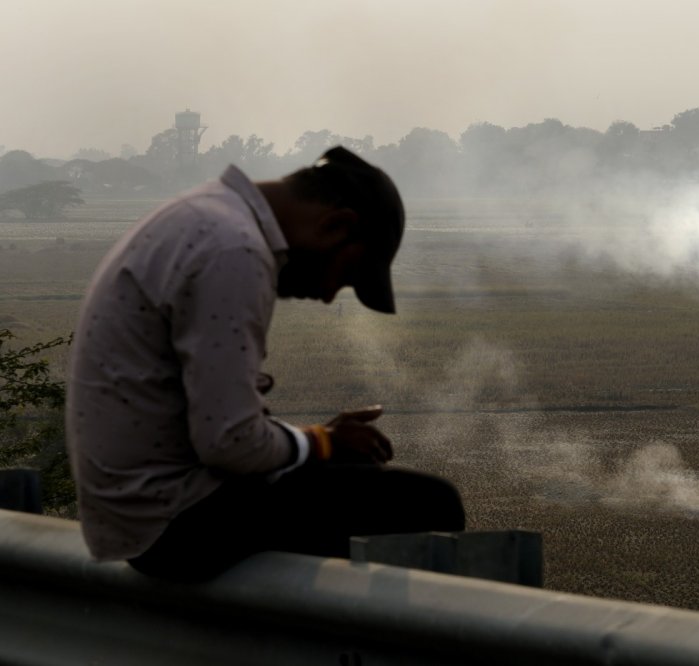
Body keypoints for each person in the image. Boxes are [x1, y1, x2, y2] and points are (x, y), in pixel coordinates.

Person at [66, 147, 465, 582]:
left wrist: (319, 445)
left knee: (351, 471)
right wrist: (320, 443)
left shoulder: (208, 212)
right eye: (344, 274)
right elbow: (230, 441)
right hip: (173, 525)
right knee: (431, 504)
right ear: (336, 225)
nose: (330, 294)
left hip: (142, 508)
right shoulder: (235, 251)